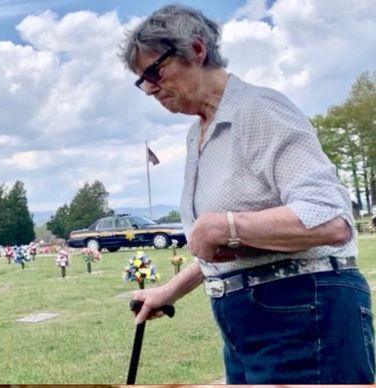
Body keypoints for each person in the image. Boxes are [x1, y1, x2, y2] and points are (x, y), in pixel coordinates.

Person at [120, 4, 373, 384]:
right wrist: (170, 290)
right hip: (250, 322)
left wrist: (225, 226)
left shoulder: (259, 109)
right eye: (142, 80)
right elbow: (229, 249)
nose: (150, 87)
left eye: (155, 71)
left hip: (304, 312)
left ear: (196, 50)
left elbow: (331, 220)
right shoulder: (199, 132)